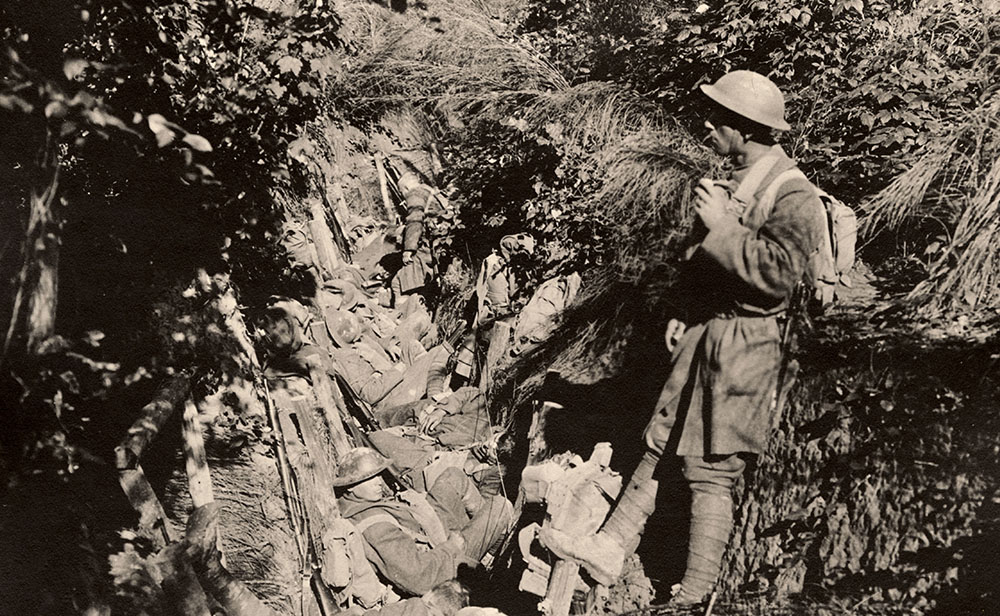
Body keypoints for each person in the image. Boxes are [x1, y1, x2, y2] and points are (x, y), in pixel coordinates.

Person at [539, 70, 826, 604]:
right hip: (706, 330)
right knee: (659, 439)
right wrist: (683, 308)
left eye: (717, 119)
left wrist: (721, 226)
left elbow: (777, 274)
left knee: (712, 466)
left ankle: (695, 592)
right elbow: (705, 263)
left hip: (748, 344)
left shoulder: (794, 195)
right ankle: (610, 546)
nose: (707, 126)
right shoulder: (739, 183)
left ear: (743, 129)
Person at [336, 447, 513, 597]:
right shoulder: (376, 528)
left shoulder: (360, 502)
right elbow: (418, 577)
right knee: (499, 506)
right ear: (351, 486)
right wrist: (451, 547)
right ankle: (486, 561)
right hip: (443, 562)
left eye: (378, 475)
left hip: (427, 530)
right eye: (369, 479)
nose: (379, 483)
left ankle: (487, 545)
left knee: (453, 476)